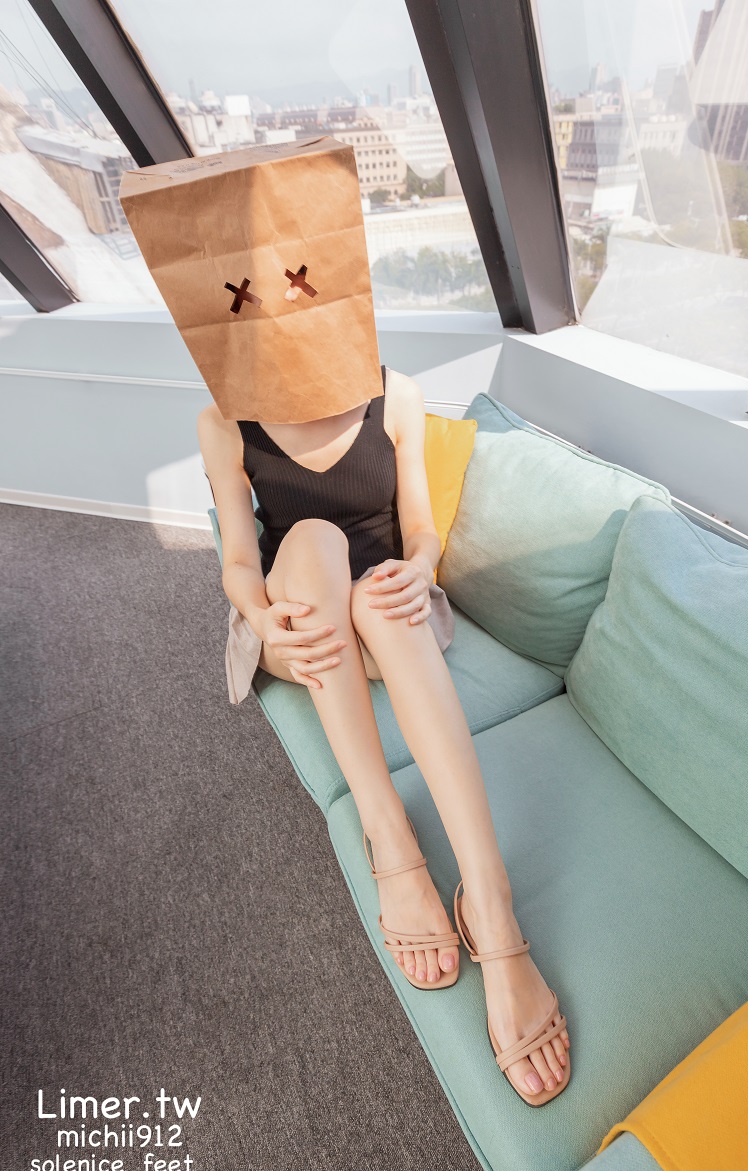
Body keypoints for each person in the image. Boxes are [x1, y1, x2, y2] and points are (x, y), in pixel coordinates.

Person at [197, 362, 571, 1106]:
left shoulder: (393, 395)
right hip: (299, 622)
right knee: (309, 539)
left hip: (389, 611)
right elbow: (240, 559)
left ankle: (489, 901)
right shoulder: (223, 420)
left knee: (376, 595)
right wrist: (262, 615)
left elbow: (420, 527)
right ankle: (390, 839)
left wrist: (419, 568)